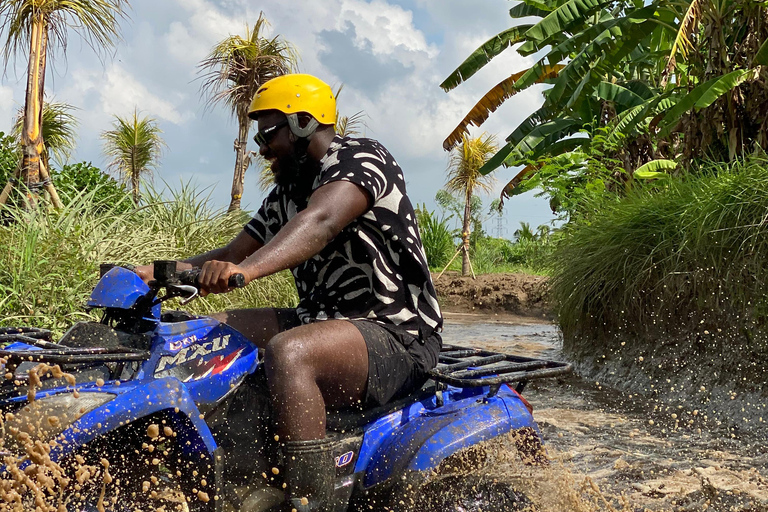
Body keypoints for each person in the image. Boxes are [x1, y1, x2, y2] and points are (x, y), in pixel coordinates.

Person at [137, 73, 442, 512]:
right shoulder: (286, 193)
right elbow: (232, 251)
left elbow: (321, 222)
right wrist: (152, 273)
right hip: (320, 320)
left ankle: (306, 500)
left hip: (395, 333)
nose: (261, 147)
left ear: (302, 123)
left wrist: (246, 272)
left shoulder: (361, 160)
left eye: (268, 133)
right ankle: (231, 469)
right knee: (202, 335)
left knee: (289, 352)